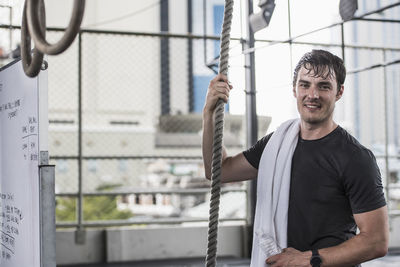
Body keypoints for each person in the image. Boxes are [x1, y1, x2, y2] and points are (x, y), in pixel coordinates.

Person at [202, 49, 389, 267]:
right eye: (305, 84)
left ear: (339, 92)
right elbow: (219, 170)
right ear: (294, 90)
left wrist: (305, 259)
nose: (313, 95)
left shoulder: (356, 158)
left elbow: (376, 241)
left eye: (324, 86)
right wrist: (209, 113)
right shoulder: (277, 143)